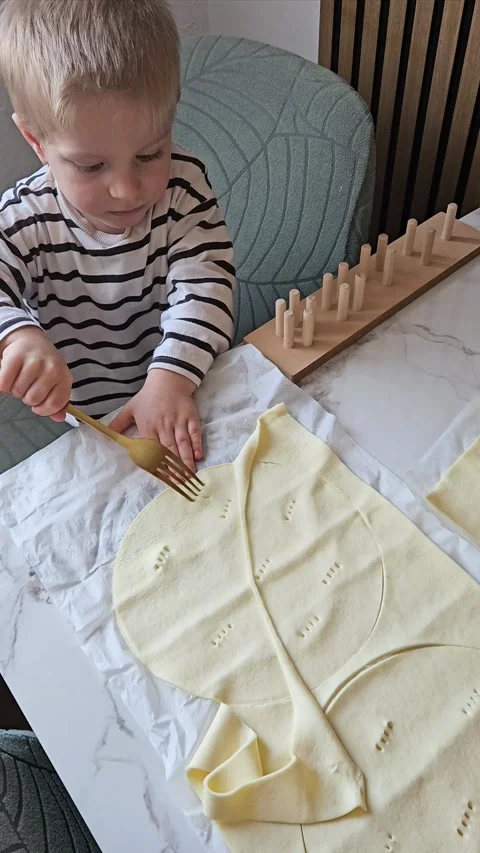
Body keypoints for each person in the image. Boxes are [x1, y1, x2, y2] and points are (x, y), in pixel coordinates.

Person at [0, 0, 235, 472]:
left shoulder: (183, 188)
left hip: (181, 373)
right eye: (91, 166)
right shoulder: (24, 218)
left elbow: (207, 285)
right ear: (36, 142)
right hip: (86, 408)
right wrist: (18, 338)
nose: (128, 191)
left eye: (150, 154)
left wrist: (169, 380)